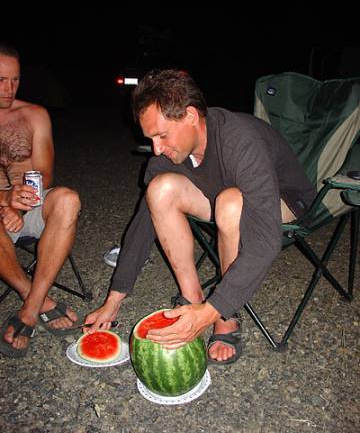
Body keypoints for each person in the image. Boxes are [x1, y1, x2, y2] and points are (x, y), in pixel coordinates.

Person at [85, 69, 316, 365]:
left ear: (191, 116)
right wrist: (113, 301)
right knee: (159, 189)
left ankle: (226, 317)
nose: (156, 148)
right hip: (221, 194)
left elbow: (265, 241)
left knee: (231, 203)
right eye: (151, 138)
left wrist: (213, 310)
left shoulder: (240, 142)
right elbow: (144, 221)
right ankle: (192, 300)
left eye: (162, 135)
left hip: (285, 200)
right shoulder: (168, 155)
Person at [0, 43, 81, 358]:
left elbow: (45, 173)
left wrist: (22, 201)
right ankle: (37, 300)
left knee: (68, 199)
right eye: (1, 80)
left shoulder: (34, 114)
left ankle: (29, 309)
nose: (9, 89)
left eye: (15, 80)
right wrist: (5, 202)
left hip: (30, 201)